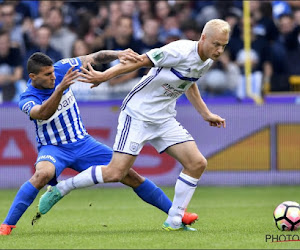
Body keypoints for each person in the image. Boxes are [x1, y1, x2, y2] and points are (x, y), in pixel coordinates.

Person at [40, 19, 230, 232]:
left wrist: (206, 113)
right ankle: (62, 188)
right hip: (137, 113)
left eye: (223, 45)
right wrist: (104, 76)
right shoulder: (179, 50)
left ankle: (175, 221)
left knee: (197, 163)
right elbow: (139, 61)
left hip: (163, 118)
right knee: (115, 173)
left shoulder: (206, 61)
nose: (220, 50)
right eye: (216, 44)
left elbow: (189, 83)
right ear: (203, 38)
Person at [0, 49, 198, 235]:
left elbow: (95, 57)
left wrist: (118, 53)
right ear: (33, 77)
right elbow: (43, 113)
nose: (53, 76)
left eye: (53, 72)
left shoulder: (62, 69)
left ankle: (177, 215)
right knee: (42, 175)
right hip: (54, 148)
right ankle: (7, 225)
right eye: (47, 75)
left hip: (84, 144)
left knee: (131, 176)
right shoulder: (27, 98)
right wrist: (60, 88)